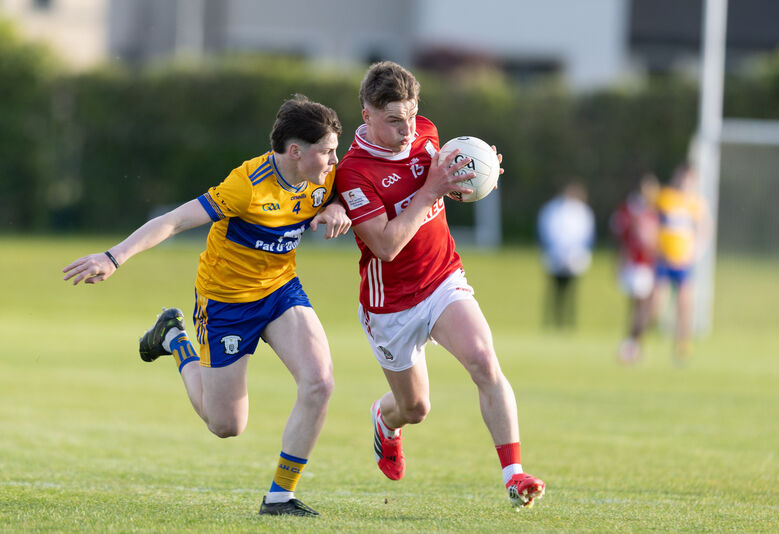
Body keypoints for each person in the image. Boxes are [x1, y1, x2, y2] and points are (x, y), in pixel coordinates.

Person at [62, 95, 351, 517]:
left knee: (320, 383)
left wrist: (337, 206)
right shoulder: (246, 186)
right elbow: (175, 221)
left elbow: (348, 192)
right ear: (295, 152)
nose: (334, 159)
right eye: (327, 151)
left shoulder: (326, 175)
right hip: (227, 302)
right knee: (226, 426)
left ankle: (279, 498)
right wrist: (114, 257)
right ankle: (175, 338)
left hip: (280, 290)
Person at [335, 61, 545, 508]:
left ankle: (514, 474)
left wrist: (476, 173)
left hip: (442, 279)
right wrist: (432, 188)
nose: (407, 129)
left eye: (411, 115)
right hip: (389, 306)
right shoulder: (354, 174)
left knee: (486, 363)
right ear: (366, 114)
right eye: (394, 120)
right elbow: (387, 246)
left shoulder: (427, 132)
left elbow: (446, 178)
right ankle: (384, 422)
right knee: (415, 409)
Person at [652, 163, 710, 362]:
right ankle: (644, 337)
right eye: (682, 177)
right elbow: (652, 223)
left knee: (684, 305)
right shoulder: (664, 198)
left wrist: (697, 252)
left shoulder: (695, 203)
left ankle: (682, 345)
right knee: (655, 305)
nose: (685, 182)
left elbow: (705, 228)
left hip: (684, 263)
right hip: (663, 260)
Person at [609, 173, 661, 363]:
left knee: (647, 307)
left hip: (648, 265)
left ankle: (634, 344)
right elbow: (620, 237)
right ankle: (631, 345)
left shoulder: (651, 211)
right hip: (634, 264)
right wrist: (618, 261)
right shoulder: (631, 210)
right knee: (642, 306)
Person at [536, 181, 595, 329]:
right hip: (555, 255)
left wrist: (575, 252)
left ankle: (569, 322)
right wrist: (556, 250)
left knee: (572, 291)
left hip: (575, 256)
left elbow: (586, 234)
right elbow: (546, 231)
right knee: (555, 290)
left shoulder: (582, 211)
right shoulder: (552, 209)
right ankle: (553, 322)